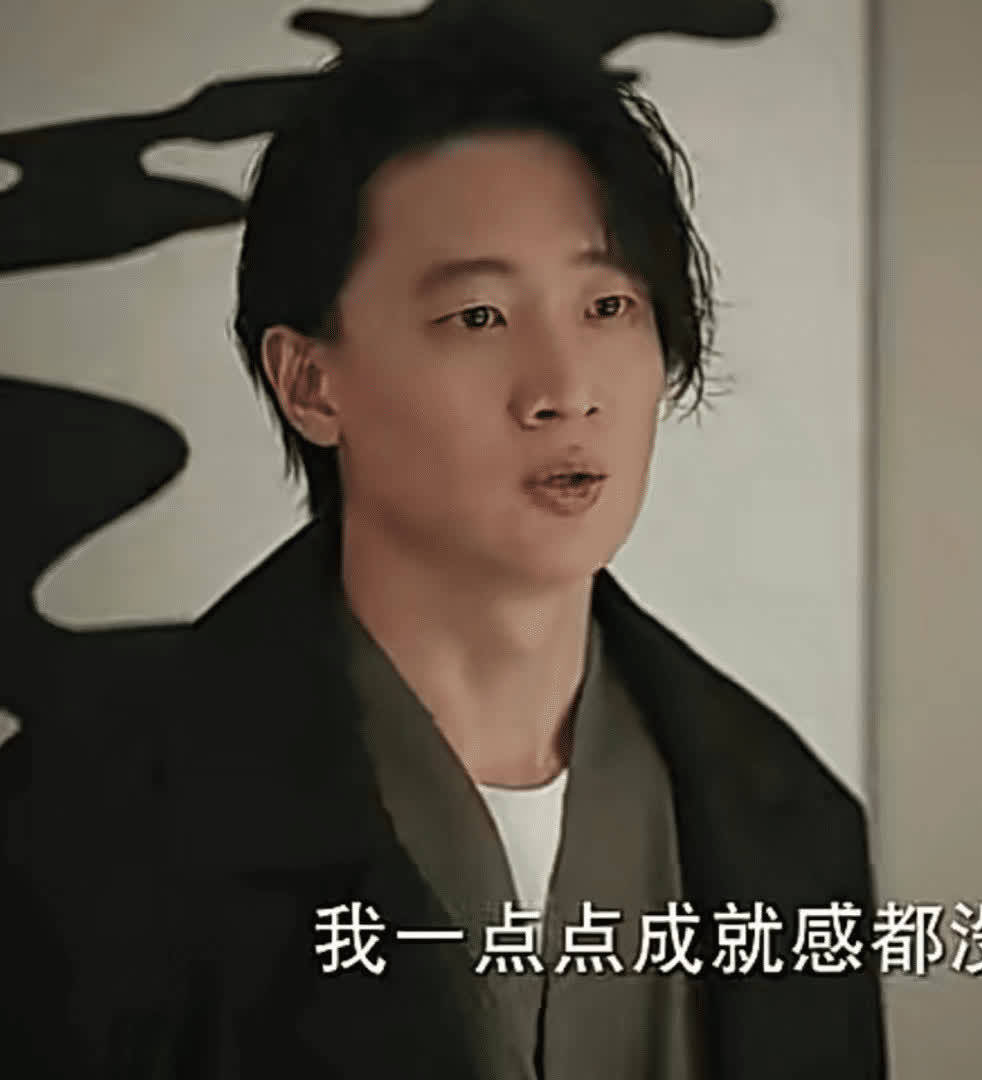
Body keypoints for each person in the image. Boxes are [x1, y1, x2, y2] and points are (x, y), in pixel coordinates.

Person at [2, 11, 885, 1078]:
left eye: (609, 304)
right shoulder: (80, 824)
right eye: (478, 316)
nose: (564, 389)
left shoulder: (791, 828)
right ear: (310, 383)